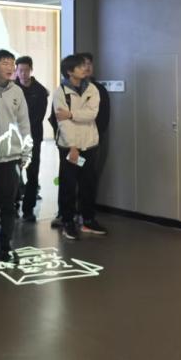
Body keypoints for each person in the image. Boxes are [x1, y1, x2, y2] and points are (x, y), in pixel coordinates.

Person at [0, 51, 33, 260]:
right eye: (5, 63)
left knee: (9, 205)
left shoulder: (17, 91)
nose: (10, 68)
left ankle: (6, 246)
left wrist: (26, 151)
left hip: (11, 157)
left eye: (12, 64)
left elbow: (24, 123)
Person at [53, 54, 107, 240]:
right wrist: (72, 147)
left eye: (85, 66)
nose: (84, 69)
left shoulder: (92, 89)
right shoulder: (61, 92)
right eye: (79, 66)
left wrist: (71, 114)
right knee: (68, 185)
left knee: (88, 184)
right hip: (70, 147)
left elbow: (91, 114)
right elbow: (62, 122)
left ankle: (88, 220)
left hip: (89, 144)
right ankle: (67, 221)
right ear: (70, 71)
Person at [14, 56, 49, 222]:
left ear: (31, 70)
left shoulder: (40, 91)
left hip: (33, 137)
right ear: (16, 71)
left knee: (32, 173)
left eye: (26, 70)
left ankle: (29, 209)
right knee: (14, 174)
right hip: (13, 138)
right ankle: (13, 206)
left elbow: (38, 117)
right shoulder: (11, 88)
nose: (23, 73)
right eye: (20, 70)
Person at [79, 53, 111, 192]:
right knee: (74, 174)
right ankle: (72, 204)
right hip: (73, 142)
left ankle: (87, 204)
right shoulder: (68, 88)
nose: (87, 67)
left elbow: (104, 117)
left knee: (90, 174)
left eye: (89, 64)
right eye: (83, 64)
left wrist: (95, 136)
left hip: (93, 142)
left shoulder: (100, 89)